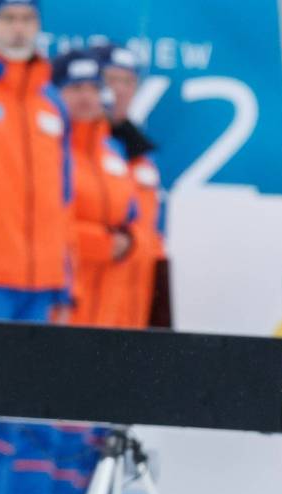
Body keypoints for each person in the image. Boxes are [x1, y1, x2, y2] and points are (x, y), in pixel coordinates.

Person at [0, 0, 72, 494]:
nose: (18, 29)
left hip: (38, 287)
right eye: (8, 18)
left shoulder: (49, 102)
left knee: (25, 415)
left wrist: (63, 282)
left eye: (27, 20)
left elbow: (61, 200)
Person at [54, 48, 140, 328]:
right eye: (75, 88)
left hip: (109, 304)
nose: (86, 97)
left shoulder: (113, 153)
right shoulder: (48, 150)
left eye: (93, 87)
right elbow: (38, 224)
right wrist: (101, 244)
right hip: (63, 299)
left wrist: (129, 242)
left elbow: (135, 220)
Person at [94, 42, 166, 328]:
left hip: (132, 306)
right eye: (111, 79)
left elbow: (151, 233)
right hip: (87, 298)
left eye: (128, 81)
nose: (119, 90)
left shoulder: (142, 158)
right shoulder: (74, 146)